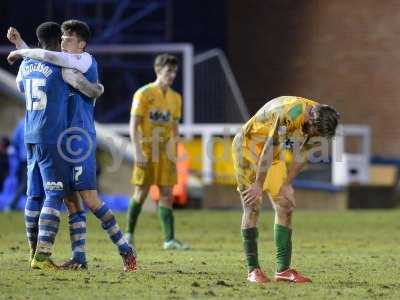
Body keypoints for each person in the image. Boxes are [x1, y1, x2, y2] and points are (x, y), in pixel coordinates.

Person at [8, 20, 137, 272]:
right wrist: (21, 45)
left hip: (80, 139)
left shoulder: (85, 61)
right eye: (62, 38)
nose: (64, 42)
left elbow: (50, 61)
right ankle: (79, 257)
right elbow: (44, 59)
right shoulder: (61, 61)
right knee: (69, 200)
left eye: (69, 39)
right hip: (59, 140)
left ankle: (125, 249)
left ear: (82, 44)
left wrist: (94, 89)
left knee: (89, 199)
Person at [232, 96, 339, 283]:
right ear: (311, 119)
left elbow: (303, 155)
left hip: (273, 153)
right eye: (316, 131)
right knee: (253, 206)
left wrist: (286, 184)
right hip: (248, 147)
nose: (316, 135)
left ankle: (283, 270)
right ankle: (253, 270)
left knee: (285, 205)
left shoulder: (319, 120)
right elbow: (267, 147)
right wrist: (258, 184)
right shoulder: (289, 113)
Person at [126, 54, 189, 250]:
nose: (172, 75)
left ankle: (169, 240)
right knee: (141, 193)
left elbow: (174, 126)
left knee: (167, 194)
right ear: (158, 70)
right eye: (169, 71)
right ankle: (128, 235)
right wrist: (137, 152)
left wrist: (176, 148)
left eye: (174, 72)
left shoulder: (176, 98)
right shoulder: (143, 94)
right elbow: (134, 126)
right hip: (147, 149)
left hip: (166, 151)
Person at [7, 119, 27, 211]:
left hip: (24, 158)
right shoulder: (39, 121)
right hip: (35, 158)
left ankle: (12, 205)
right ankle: (12, 205)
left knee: (25, 183)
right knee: (25, 184)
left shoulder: (21, 124)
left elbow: (14, 142)